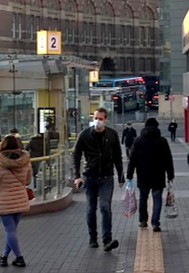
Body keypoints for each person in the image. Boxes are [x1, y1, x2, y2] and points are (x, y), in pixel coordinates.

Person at [73, 107, 124, 251]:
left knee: (104, 207)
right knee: (91, 208)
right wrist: (77, 176)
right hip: (90, 177)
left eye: (101, 118)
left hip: (106, 177)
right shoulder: (85, 135)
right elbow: (76, 155)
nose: (98, 121)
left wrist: (121, 175)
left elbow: (117, 156)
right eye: (95, 118)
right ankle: (92, 238)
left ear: (106, 120)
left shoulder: (112, 135)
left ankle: (107, 240)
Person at [0, 136, 33, 267]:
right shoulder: (25, 161)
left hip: (3, 200)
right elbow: (28, 181)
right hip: (20, 199)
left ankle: (19, 257)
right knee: (12, 231)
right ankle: (4, 256)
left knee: (9, 231)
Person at [127, 118, 174, 232]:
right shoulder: (162, 141)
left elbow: (132, 159)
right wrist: (170, 175)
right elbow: (168, 159)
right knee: (157, 199)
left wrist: (129, 174)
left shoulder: (138, 140)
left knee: (143, 198)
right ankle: (155, 223)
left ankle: (143, 221)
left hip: (143, 175)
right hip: (158, 175)